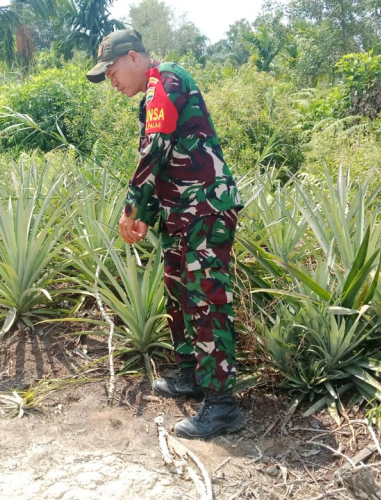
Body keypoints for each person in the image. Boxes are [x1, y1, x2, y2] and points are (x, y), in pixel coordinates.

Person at [86, 30, 245, 439]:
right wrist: (147, 213)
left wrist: (130, 208)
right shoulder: (150, 99)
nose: (111, 81)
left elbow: (153, 151)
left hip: (205, 210)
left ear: (134, 57)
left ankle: (222, 404)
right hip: (181, 216)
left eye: (112, 70)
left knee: (206, 302)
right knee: (180, 295)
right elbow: (161, 165)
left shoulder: (167, 79)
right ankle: (193, 374)